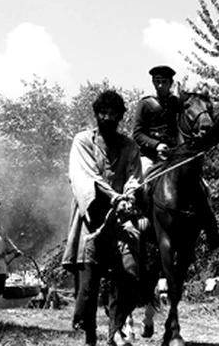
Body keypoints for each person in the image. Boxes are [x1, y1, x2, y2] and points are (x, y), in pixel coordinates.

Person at [62, 89, 143, 346]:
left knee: (130, 275)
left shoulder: (130, 146)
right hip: (91, 219)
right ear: (96, 114)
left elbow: (134, 176)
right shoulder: (83, 141)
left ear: (121, 116)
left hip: (120, 220)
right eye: (102, 113)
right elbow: (87, 178)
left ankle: (115, 332)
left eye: (113, 113)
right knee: (88, 287)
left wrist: (128, 195)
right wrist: (114, 197)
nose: (107, 117)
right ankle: (89, 337)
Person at [132, 65, 219, 249]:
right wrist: (156, 145)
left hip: (174, 155)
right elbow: (137, 133)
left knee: (203, 186)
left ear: (170, 83)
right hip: (150, 156)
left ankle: (212, 232)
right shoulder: (145, 104)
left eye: (163, 82)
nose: (160, 85)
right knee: (138, 184)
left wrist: (201, 131)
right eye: (156, 82)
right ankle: (139, 218)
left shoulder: (176, 103)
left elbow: (190, 117)